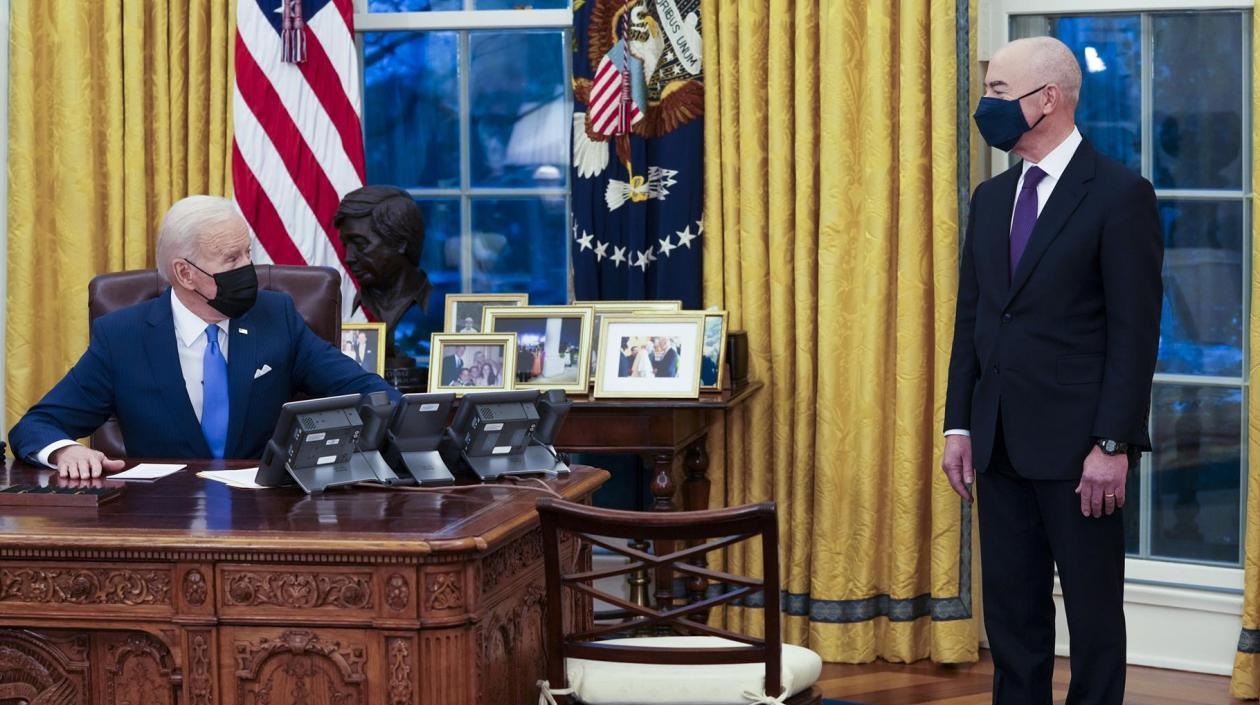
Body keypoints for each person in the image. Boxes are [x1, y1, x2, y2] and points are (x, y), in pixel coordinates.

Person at [941, 37, 1162, 705]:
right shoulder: (991, 196)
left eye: (1000, 92)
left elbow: (1134, 333)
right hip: (999, 442)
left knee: (1094, 622)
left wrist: (1113, 443)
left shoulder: (1121, 195)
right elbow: (973, 320)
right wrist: (958, 424)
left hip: (1081, 453)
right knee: (1012, 619)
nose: (987, 105)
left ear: (1049, 100)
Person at [8, 196, 401, 478]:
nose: (248, 267)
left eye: (247, 253)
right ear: (185, 273)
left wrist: (409, 425)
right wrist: (65, 450)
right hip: (159, 522)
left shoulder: (276, 317)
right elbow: (36, 425)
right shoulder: (123, 337)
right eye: (231, 259)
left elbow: (365, 389)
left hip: (264, 518)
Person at [335, 185, 432, 364]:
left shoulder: (437, 311)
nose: (348, 258)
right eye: (345, 245)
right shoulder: (340, 309)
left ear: (400, 242)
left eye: (360, 244)